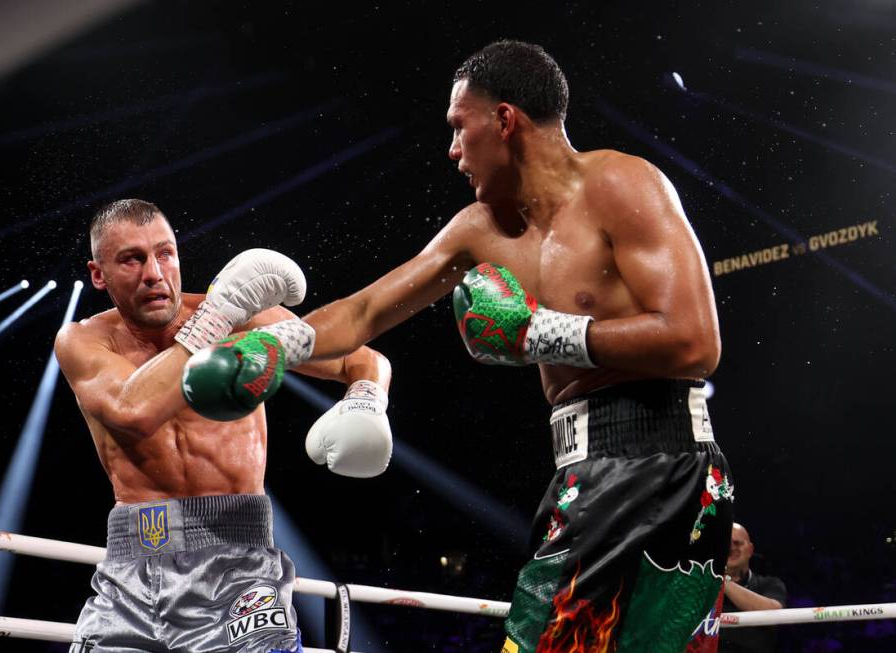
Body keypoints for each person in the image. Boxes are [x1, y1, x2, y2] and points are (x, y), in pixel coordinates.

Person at [185, 40, 734, 652]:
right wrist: (280, 342)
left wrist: (535, 333)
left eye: (458, 127)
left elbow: (694, 343)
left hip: (660, 461)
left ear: (504, 120)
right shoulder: (480, 228)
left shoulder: (621, 184)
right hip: (582, 468)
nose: (451, 151)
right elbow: (366, 309)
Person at [55, 199, 393, 653]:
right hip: (130, 572)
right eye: (132, 259)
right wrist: (217, 319)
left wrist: (366, 399)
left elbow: (362, 358)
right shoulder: (84, 340)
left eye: (165, 253)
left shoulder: (245, 319)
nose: (154, 273)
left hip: (240, 568)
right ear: (99, 274)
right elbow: (133, 409)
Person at [720, 523, 787, 653]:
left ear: (750, 550)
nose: (731, 548)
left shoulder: (769, 584)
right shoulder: (704, 589)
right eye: (725, 544)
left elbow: (774, 613)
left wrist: (723, 582)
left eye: (737, 543)